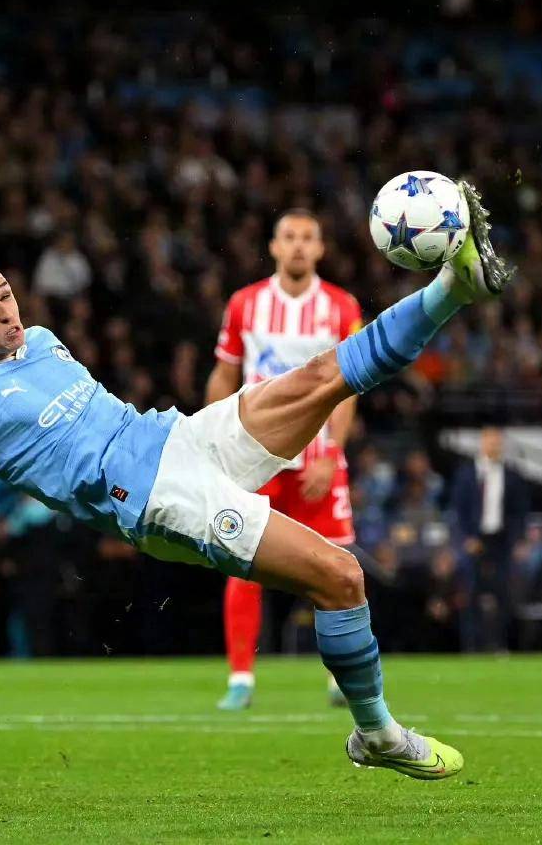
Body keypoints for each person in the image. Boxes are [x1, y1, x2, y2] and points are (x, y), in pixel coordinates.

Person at [0, 181, 513, 782]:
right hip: (157, 500)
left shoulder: (41, 341)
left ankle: (451, 289)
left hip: (178, 439)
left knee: (322, 374)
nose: (6, 314)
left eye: (6, 296)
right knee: (341, 575)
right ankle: (378, 732)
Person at [205, 209, 362, 711]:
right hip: (255, 455)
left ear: (320, 249)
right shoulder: (245, 304)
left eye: (307, 238)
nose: (297, 246)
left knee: (336, 566)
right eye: (288, 237)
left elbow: (347, 388)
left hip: (317, 458)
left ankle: (342, 679)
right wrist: (214, 441)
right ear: (274, 246)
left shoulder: (341, 307)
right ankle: (241, 679)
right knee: (240, 561)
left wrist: (331, 453)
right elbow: (224, 375)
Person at [449, 426, 531, 652]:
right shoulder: (466, 474)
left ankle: (500, 645)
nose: (494, 445)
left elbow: (520, 511)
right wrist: (466, 538)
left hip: (501, 541)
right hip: (474, 541)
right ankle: (472, 647)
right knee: (471, 594)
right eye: (490, 441)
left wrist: (518, 539)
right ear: (482, 443)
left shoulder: (511, 474)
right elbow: (458, 510)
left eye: (497, 441)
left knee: (503, 593)